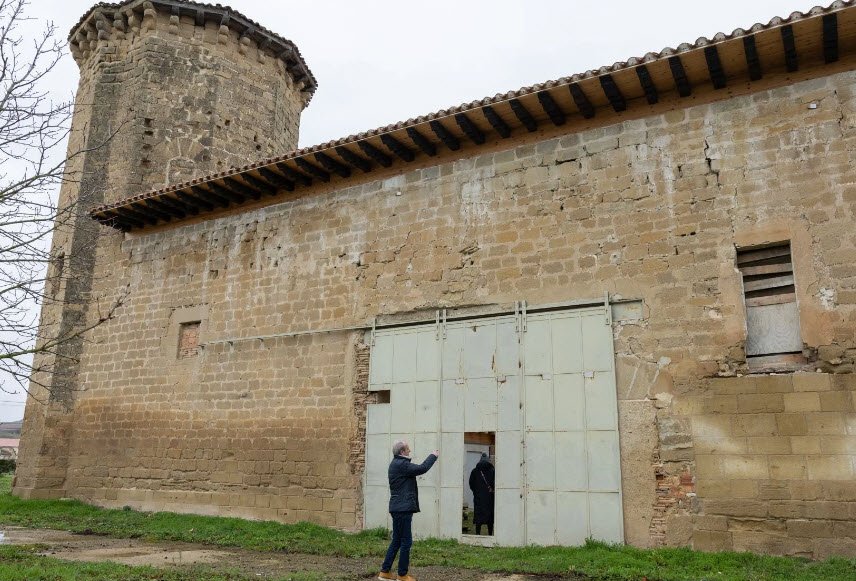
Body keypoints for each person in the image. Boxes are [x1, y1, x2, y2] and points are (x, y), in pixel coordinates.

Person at [378, 440, 438, 581]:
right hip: (402, 509)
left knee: (397, 541)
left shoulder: (397, 464)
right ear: (402, 451)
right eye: (408, 449)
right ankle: (402, 575)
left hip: (398, 508)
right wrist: (433, 455)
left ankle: (385, 571)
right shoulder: (401, 464)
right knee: (406, 541)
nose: (410, 451)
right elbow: (422, 468)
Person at [468, 452, 495, 535]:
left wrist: (476, 492)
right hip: (489, 498)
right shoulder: (492, 471)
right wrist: (491, 489)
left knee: (478, 516)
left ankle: (477, 534)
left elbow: (471, 484)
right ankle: (490, 534)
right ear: (488, 460)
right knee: (489, 517)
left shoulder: (474, 471)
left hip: (478, 497)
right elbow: (495, 483)